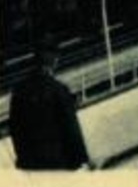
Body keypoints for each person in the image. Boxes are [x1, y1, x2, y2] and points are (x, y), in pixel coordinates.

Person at [8, 43, 90, 171]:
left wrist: (22, 157)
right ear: (55, 62)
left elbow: (14, 127)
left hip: (30, 162)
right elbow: (70, 128)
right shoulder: (59, 90)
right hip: (56, 161)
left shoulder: (19, 90)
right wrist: (81, 158)